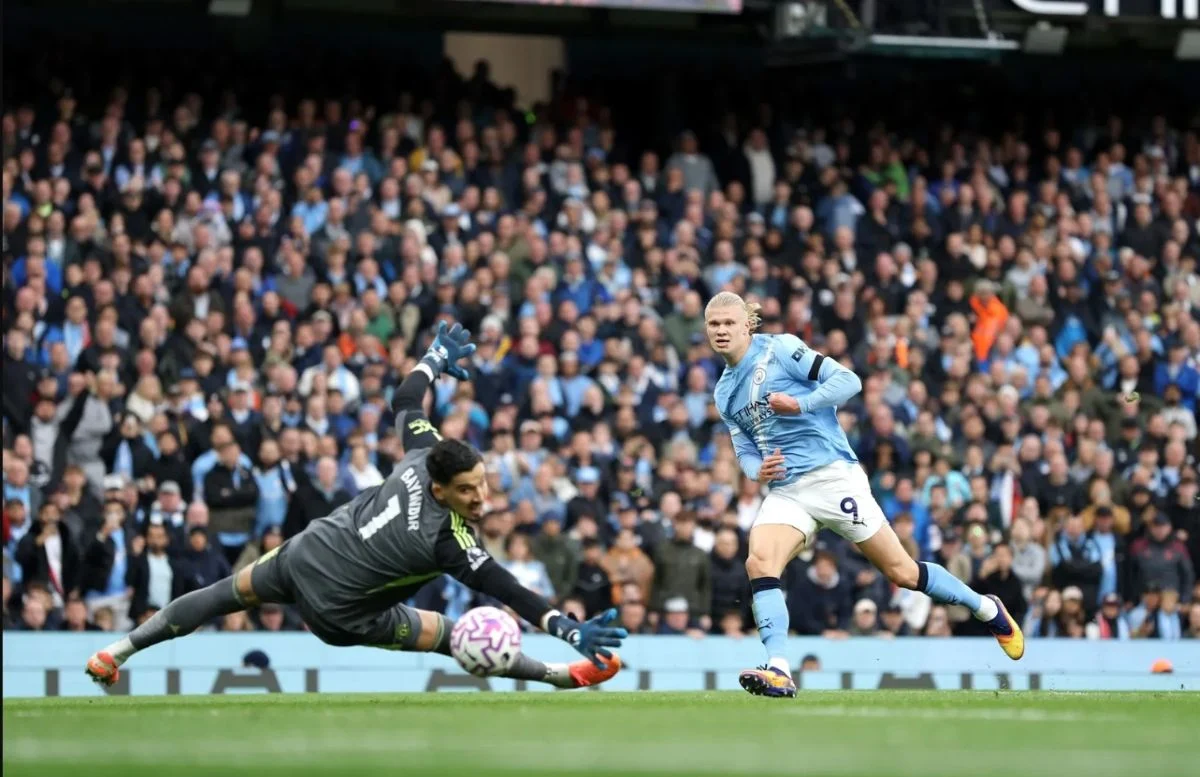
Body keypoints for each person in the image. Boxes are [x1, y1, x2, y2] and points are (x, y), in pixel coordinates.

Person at [86, 322, 626, 691]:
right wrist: (567, 627)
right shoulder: (451, 540)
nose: (480, 498)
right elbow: (507, 588)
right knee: (448, 635)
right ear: (441, 490)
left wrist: (434, 358)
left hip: (308, 551)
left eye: (482, 485)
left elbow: (406, 401)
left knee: (221, 597)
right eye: (468, 492)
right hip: (340, 611)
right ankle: (564, 674)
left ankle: (116, 652)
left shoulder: (425, 452)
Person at [706, 292, 1022, 698]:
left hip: (833, 477)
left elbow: (848, 381)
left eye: (728, 323)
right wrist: (756, 470)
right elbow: (744, 450)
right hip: (787, 490)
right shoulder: (723, 391)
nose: (720, 331)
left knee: (903, 573)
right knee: (759, 561)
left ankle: (987, 608)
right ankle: (780, 668)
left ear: (747, 324)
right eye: (713, 324)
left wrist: (800, 405)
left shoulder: (780, 349)